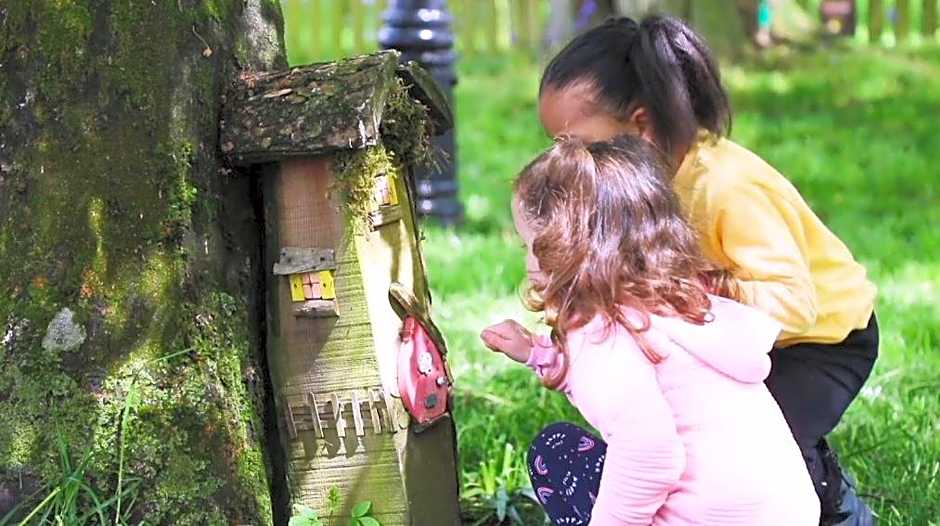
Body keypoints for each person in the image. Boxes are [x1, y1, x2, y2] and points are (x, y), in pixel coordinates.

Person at [533, 14, 878, 525]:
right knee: (705, 444)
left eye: (577, 145)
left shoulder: (727, 188)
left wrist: (706, 290)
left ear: (642, 126)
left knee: (769, 446)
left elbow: (795, 302)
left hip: (820, 341)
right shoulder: (641, 187)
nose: (567, 162)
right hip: (733, 341)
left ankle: (838, 508)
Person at [481, 136, 819, 525]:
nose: (528, 262)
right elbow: (632, 385)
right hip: (787, 514)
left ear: (568, 247)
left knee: (557, 454)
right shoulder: (673, 304)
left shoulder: (600, 332)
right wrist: (542, 356)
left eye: (531, 246)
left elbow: (649, 455)